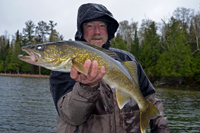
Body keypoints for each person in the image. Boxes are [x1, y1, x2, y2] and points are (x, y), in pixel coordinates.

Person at [49, 3, 169, 133]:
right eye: (90, 26)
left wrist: (161, 129)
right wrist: (86, 88)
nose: (97, 31)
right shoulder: (63, 69)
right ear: (81, 30)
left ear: (109, 30)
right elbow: (71, 117)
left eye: (102, 26)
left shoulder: (128, 59)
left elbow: (151, 100)